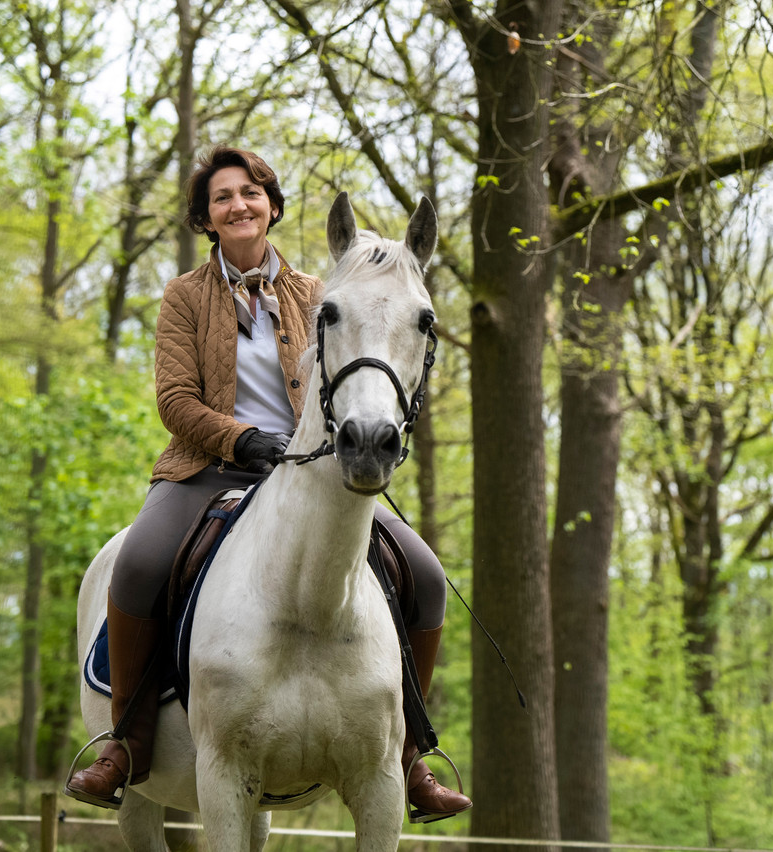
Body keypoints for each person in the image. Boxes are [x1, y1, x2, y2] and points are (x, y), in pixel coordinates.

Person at [65, 146, 471, 821]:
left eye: (250, 193)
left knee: (425, 574)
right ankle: (126, 745)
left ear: (272, 206)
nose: (238, 206)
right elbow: (174, 400)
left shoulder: (319, 292)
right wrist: (240, 438)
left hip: (313, 472)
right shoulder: (184, 296)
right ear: (208, 218)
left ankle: (408, 755)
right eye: (223, 197)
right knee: (136, 564)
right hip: (207, 468)